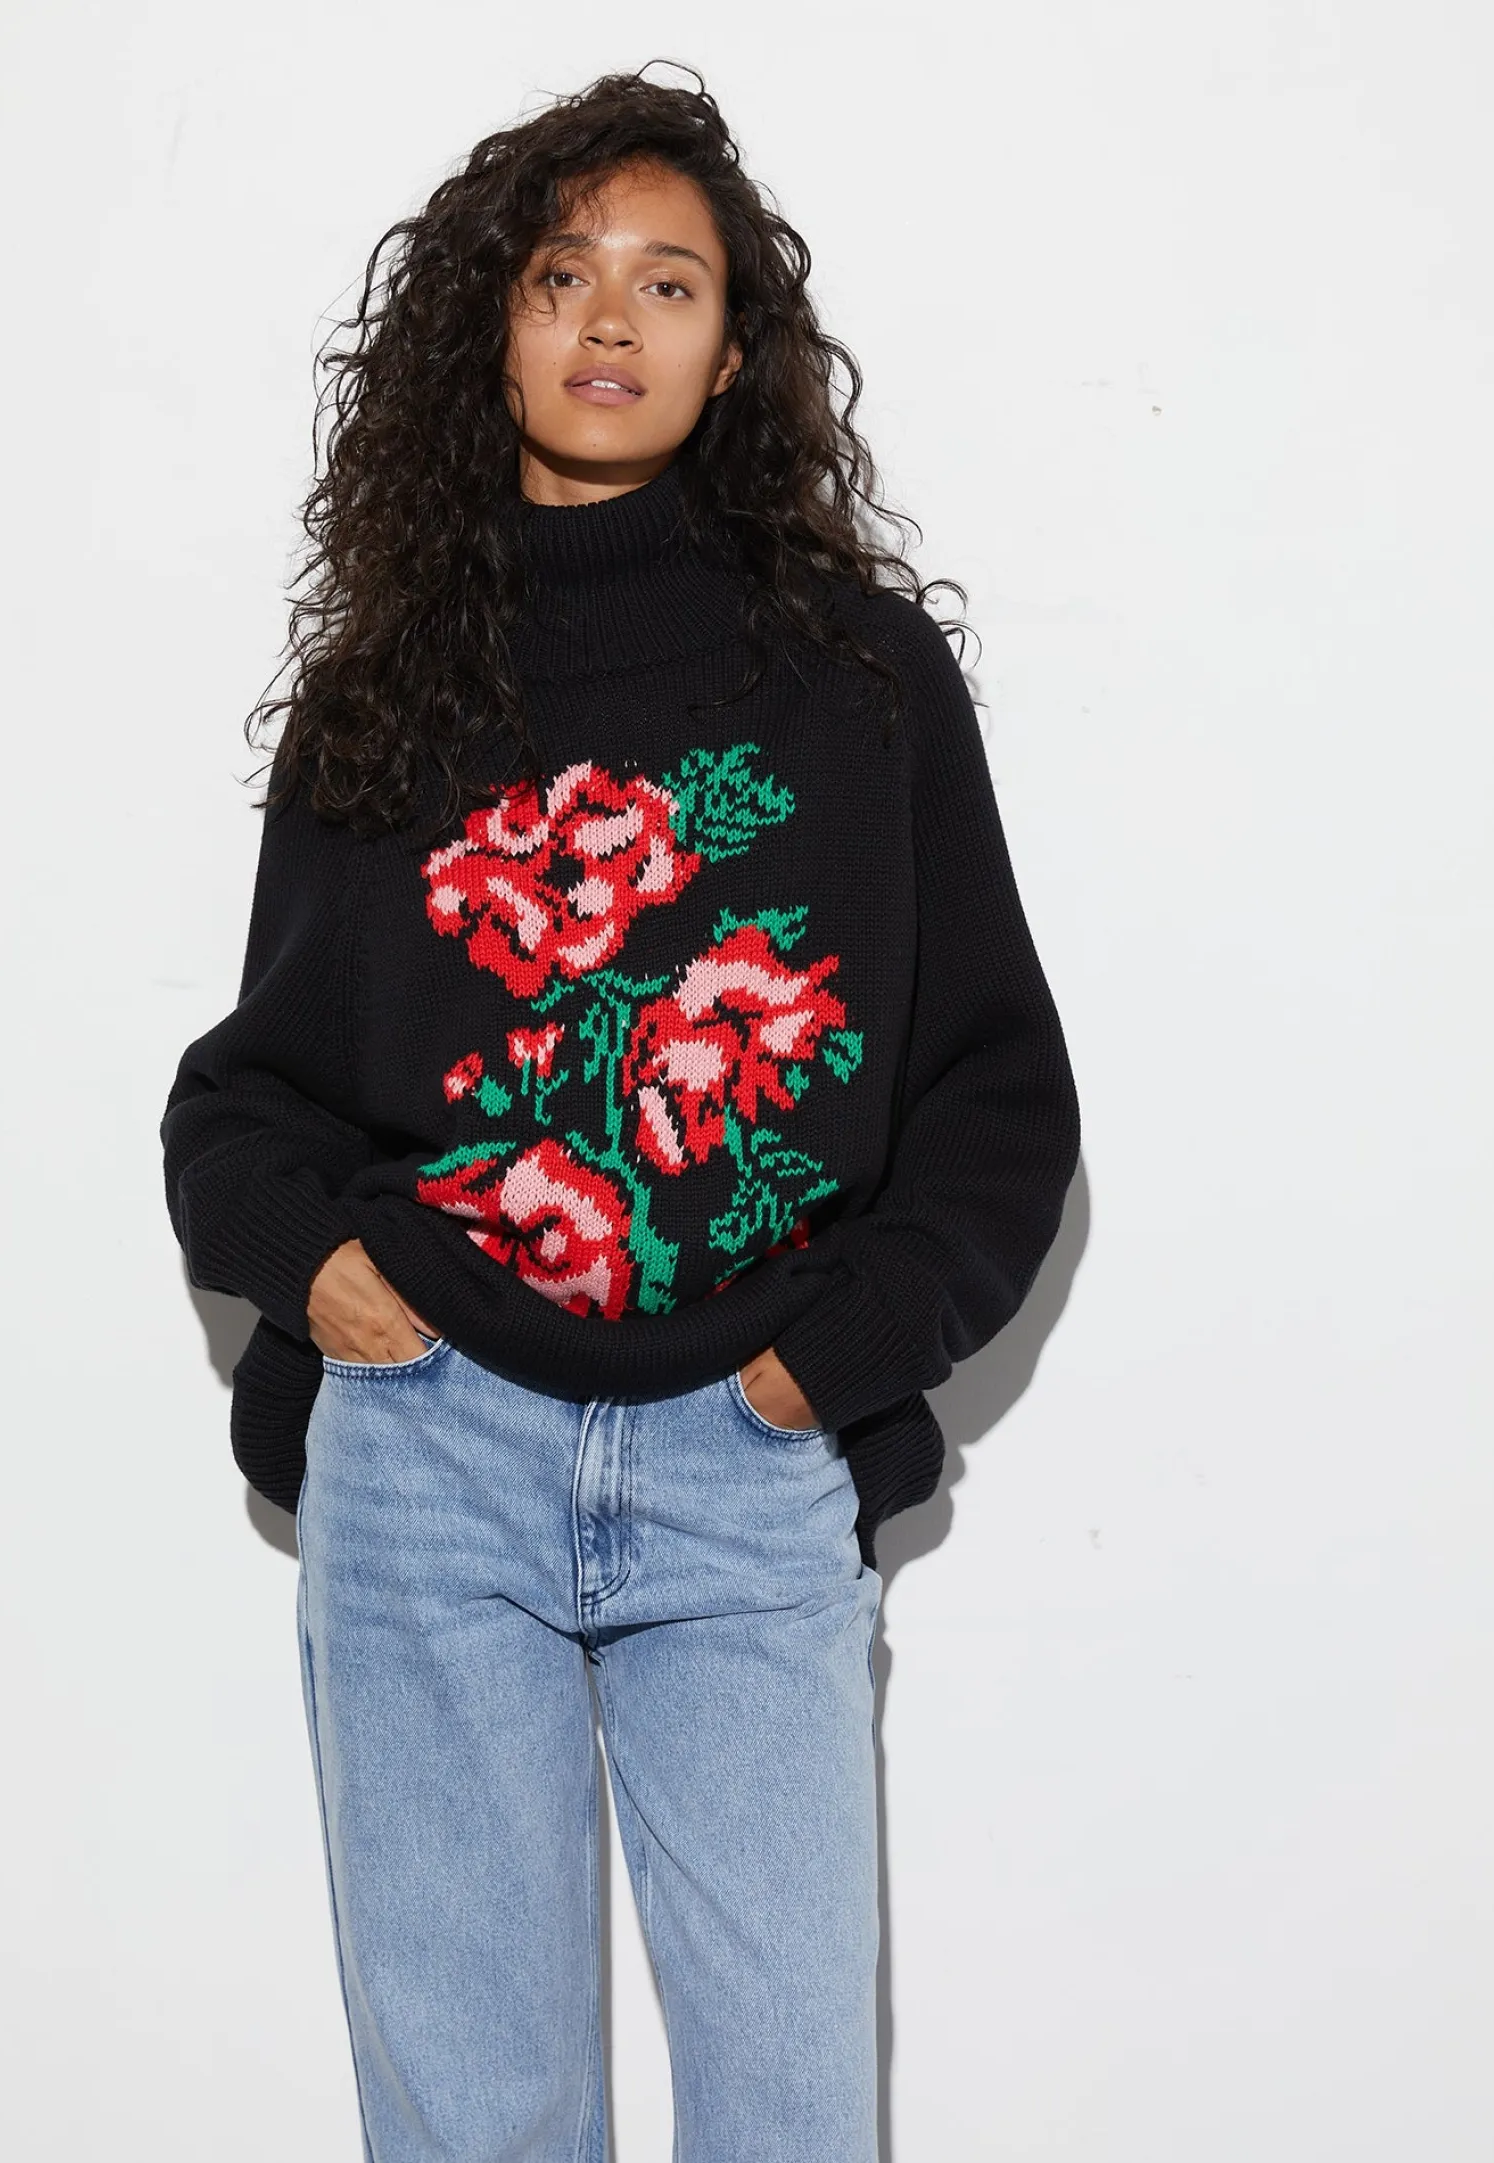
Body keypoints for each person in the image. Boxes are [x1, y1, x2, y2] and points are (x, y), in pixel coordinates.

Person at [160, 65, 1080, 2163]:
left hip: (747, 1458)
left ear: (732, 352)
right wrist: (325, 1273)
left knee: (790, 2113)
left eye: (668, 282)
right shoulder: (387, 691)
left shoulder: (859, 681)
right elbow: (249, 1091)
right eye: (561, 273)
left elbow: (995, 1089)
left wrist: (834, 1356)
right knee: (473, 2122)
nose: (608, 318)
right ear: (488, 323)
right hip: (429, 1451)